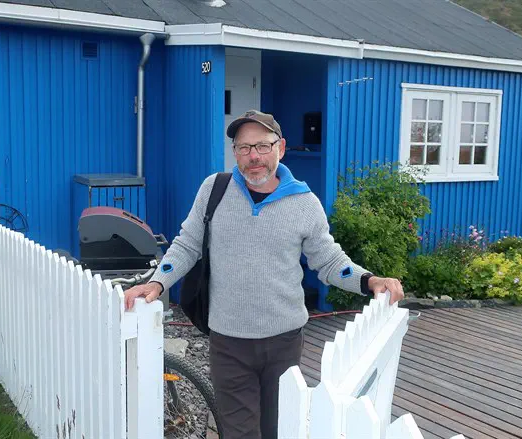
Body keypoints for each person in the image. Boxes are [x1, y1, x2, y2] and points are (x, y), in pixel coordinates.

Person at [124, 110, 405, 439]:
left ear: (280, 148)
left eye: (262, 145)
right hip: (228, 343)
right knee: (239, 433)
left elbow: (329, 261)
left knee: (277, 430)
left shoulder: (303, 203)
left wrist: (370, 281)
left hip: (283, 344)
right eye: (243, 148)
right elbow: (187, 245)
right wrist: (157, 282)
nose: (253, 156)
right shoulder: (214, 190)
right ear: (235, 153)